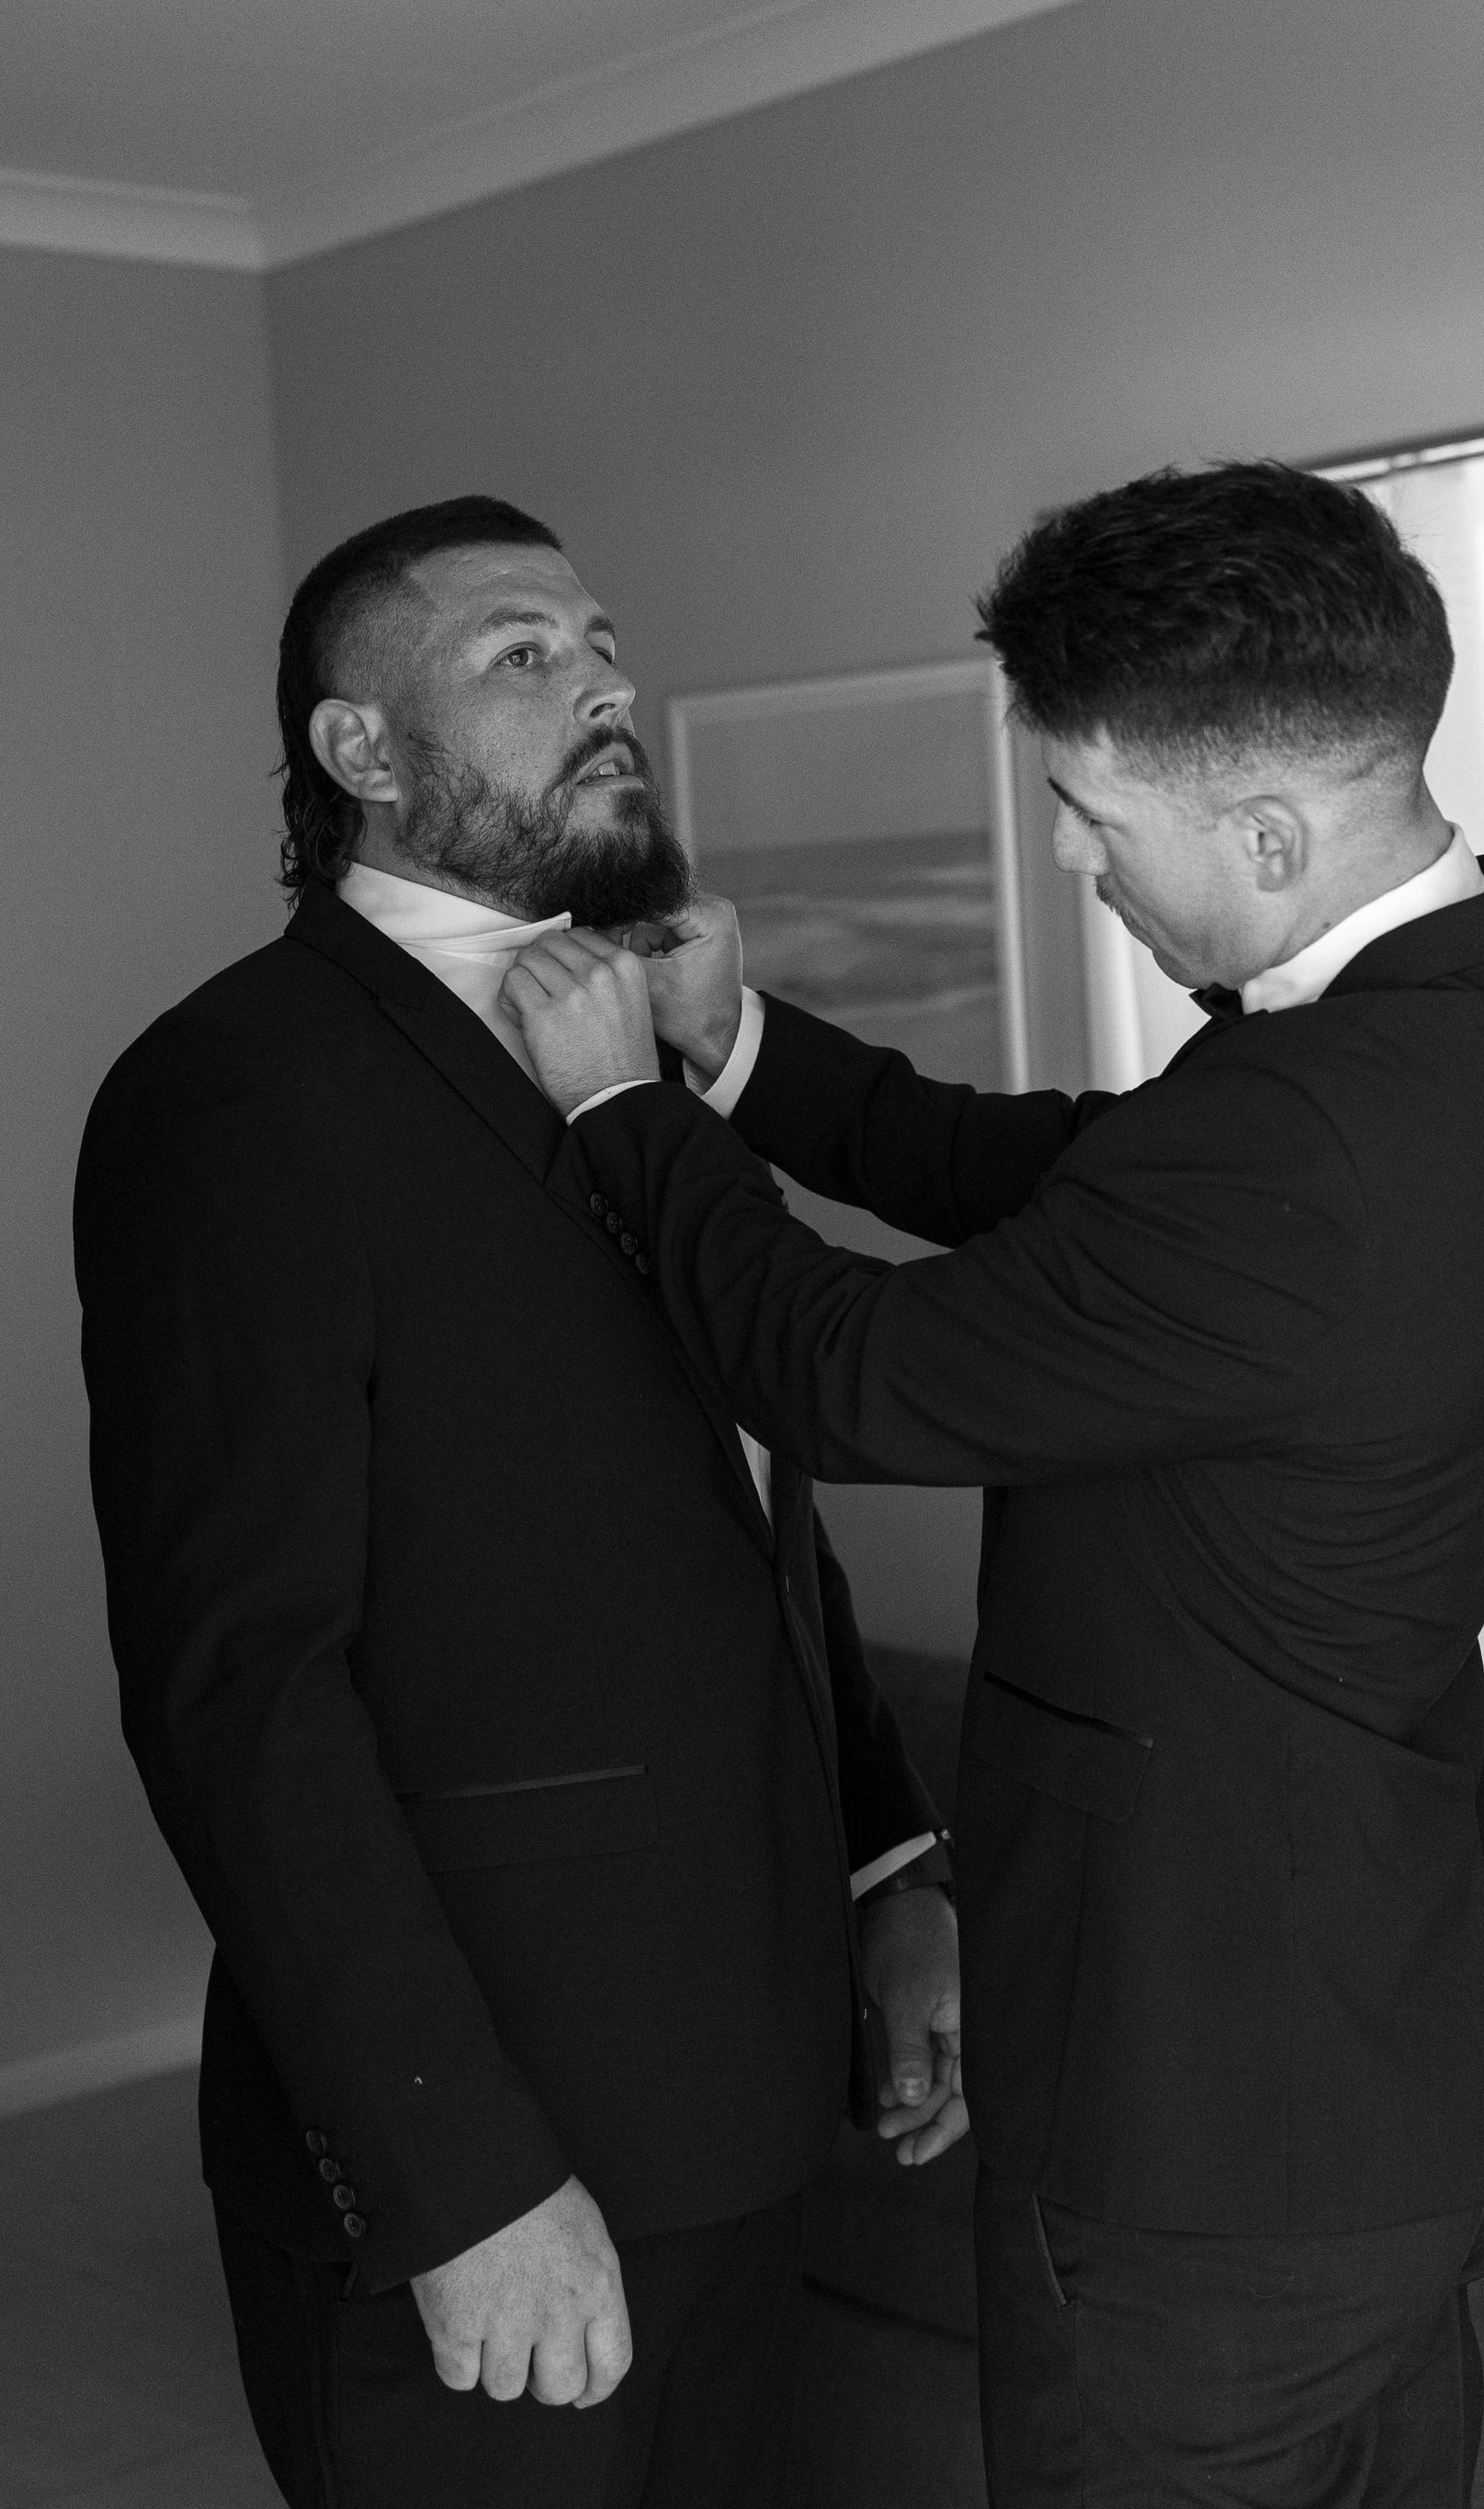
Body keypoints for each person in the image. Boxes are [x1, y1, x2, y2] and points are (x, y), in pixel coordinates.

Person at [495, 463, 1484, 2508]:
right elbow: (1081, 1183)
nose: (1074, 858)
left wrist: (629, 1114)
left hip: (1218, 2135)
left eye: (1094, 814)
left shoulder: (1307, 1144)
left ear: (1267, 834)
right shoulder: (1470, 1008)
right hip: (1389, 2076)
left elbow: (847, 1375)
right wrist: (748, 1051)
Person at [73, 495, 965, 2509]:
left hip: (747, 2108)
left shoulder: (649, 1044)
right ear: (363, 751)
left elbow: (742, 1495)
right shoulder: (236, 1096)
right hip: (489, 2158)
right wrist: (462, 2175)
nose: (604, 685)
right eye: (522, 654)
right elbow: (239, 1687)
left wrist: (886, 1868)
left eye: (604, 644)